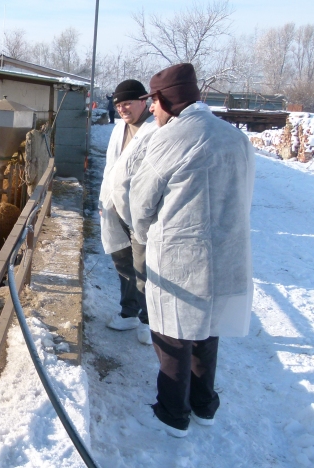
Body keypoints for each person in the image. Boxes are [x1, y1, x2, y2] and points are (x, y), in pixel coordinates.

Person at [129, 63, 255, 438]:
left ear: (167, 100)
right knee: (207, 328)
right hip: (227, 252)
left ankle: (173, 413)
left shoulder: (171, 138)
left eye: (153, 101)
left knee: (173, 336)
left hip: (181, 258)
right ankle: (204, 405)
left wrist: (141, 233)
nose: (151, 109)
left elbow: (141, 201)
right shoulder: (234, 137)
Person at [99, 79, 158, 345]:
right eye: (119, 104)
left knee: (144, 267)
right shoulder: (119, 128)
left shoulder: (156, 129)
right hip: (115, 207)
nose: (122, 109)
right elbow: (111, 167)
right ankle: (129, 312)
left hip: (142, 210)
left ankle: (149, 320)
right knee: (122, 262)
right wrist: (104, 202)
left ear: (143, 101)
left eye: (128, 103)